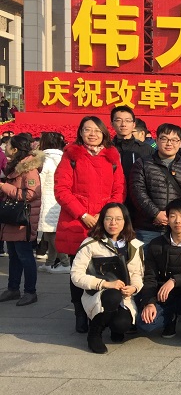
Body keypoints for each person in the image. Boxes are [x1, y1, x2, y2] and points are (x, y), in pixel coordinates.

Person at [54, 116, 127, 333]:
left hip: (105, 222)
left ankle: (102, 310)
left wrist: (105, 215)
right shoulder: (71, 156)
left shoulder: (112, 156)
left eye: (97, 130)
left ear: (104, 133)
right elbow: (61, 189)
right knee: (78, 269)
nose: (92, 134)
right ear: (80, 133)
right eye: (87, 130)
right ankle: (79, 312)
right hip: (77, 221)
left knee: (104, 268)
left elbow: (119, 189)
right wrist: (83, 214)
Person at [70, 203, 144, 354]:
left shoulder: (133, 245)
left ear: (125, 221)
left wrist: (134, 287)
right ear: (102, 220)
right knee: (112, 295)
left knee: (122, 325)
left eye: (118, 219)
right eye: (108, 218)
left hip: (124, 297)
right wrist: (104, 284)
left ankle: (114, 327)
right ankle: (94, 333)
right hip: (97, 294)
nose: (113, 223)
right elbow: (76, 275)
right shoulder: (90, 243)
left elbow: (137, 273)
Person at [137, 199, 181, 346]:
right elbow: (150, 277)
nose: (178, 221)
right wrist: (149, 303)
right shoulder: (156, 244)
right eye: (173, 216)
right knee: (145, 324)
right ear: (167, 219)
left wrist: (175, 280)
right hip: (164, 297)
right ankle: (170, 318)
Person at [128, 124, 181, 246]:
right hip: (147, 228)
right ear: (157, 140)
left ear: (180, 143)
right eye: (164, 139)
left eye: (174, 140)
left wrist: (174, 215)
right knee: (145, 258)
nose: (169, 143)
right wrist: (156, 214)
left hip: (176, 228)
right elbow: (137, 192)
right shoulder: (142, 164)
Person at [0, 134, 43, 306]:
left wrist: (4, 187)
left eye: (8, 145)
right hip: (11, 218)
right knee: (13, 256)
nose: (5, 147)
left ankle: (30, 291)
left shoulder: (29, 168)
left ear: (15, 149)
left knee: (25, 256)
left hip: (22, 220)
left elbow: (31, 194)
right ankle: (13, 288)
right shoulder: (14, 167)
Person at [37, 131, 70, 274]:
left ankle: (65, 262)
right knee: (50, 233)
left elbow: (40, 183)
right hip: (60, 200)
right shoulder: (63, 158)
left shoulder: (46, 160)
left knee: (52, 235)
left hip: (48, 200)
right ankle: (50, 262)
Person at [110, 106, 153, 179]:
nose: (123, 124)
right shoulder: (106, 148)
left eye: (128, 121)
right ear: (112, 124)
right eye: (118, 120)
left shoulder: (146, 149)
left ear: (133, 125)